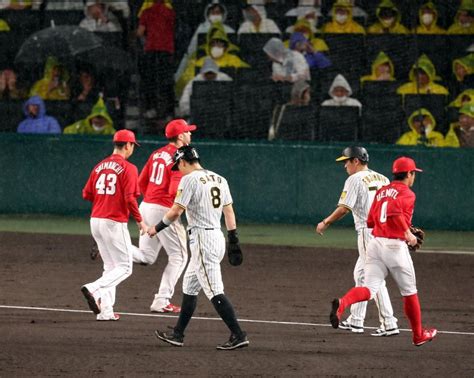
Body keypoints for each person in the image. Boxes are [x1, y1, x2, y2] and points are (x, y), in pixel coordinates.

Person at [330, 156, 438, 347]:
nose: (414, 177)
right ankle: (418, 335)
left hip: (375, 243)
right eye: (414, 173)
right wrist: (408, 233)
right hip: (395, 247)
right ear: (410, 174)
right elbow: (394, 212)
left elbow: (372, 220)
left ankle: (343, 303)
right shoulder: (408, 193)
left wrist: (401, 226)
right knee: (409, 292)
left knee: (369, 289)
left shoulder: (382, 191)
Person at [149, 145, 249, 350]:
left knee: (214, 290)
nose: (179, 170)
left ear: (183, 161)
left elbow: (176, 211)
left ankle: (238, 335)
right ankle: (177, 334)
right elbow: (229, 211)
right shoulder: (220, 179)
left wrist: (156, 228)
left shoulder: (189, 179)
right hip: (216, 236)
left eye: (178, 166)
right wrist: (234, 239)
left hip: (203, 240)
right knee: (189, 287)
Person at [316, 147, 399, 336]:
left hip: (368, 233)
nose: (344, 165)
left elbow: (344, 208)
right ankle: (356, 320)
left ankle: (389, 322)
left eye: (346, 161)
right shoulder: (383, 179)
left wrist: (325, 222)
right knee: (360, 274)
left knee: (373, 279)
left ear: (356, 161)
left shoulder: (354, 179)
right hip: (384, 232)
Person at [81, 129, 147, 321]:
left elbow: (87, 194)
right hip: (113, 221)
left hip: (96, 220)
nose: (132, 148)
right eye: (133, 145)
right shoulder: (129, 168)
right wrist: (140, 220)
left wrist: (106, 198)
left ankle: (106, 311)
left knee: (110, 266)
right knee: (126, 267)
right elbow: (130, 199)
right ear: (127, 145)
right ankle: (93, 289)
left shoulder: (99, 166)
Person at [132, 119, 197, 313]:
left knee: (146, 256)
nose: (190, 134)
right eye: (188, 131)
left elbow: (140, 183)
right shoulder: (179, 156)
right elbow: (174, 190)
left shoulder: (156, 153)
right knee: (179, 256)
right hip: (163, 209)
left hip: (147, 206)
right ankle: (161, 300)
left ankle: (113, 246)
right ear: (180, 136)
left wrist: (151, 200)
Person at [176, 24, 249, 97]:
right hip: (204, 96)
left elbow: (247, 75)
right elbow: (185, 80)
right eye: (214, 44)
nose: (217, 47)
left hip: (227, 96)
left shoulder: (234, 59)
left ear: (225, 47)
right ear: (209, 46)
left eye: (220, 45)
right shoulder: (201, 61)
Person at [137, 0, 176, 120]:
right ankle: (169, 111)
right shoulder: (170, 12)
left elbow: (140, 32)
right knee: (166, 81)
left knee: (150, 81)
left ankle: (151, 109)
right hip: (167, 50)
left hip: (151, 50)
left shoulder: (146, 12)